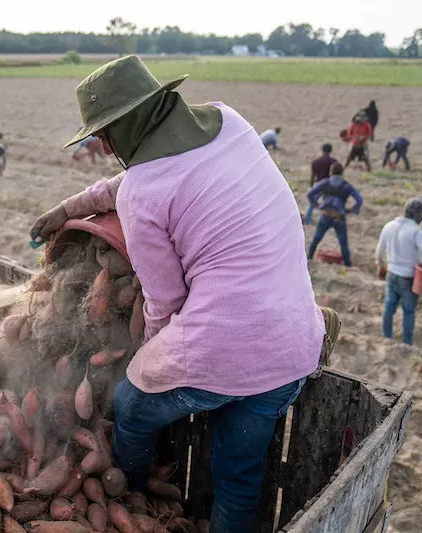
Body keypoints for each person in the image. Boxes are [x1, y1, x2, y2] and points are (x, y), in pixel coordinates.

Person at [30, 55, 333, 533]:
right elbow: (147, 180)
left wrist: (143, 357)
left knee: (132, 403)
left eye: (105, 132)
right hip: (291, 346)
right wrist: (70, 206)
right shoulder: (229, 123)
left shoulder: (143, 195)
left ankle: (126, 493)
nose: (105, 146)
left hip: (220, 346)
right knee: (238, 476)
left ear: (128, 124)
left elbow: (164, 303)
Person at [376, 198, 422, 345]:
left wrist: (381, 266)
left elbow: (379, 252)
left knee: (389, 306)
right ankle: (406, 343)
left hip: (391, 273)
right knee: (408, 311)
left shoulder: (389, 226)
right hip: (408, 277)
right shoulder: (415, 231)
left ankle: (386, 337)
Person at [306, 163, 363, 267]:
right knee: (343, 244)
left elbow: (309, 194)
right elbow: (359, 200)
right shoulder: (347, 185)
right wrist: (351, 210)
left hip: (325, 215)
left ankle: (309, 258)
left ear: (331, 172)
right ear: (342, 173)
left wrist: (317, 205)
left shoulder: (325, 183)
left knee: (316, 239)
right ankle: (348, 265)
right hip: (339, 217)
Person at [304, 144, 339, 224]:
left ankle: (307, 219)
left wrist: (312, 186)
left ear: (322, 150)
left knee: (311, 203)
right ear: (330, 150)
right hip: (330, 185)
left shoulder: (316, 162)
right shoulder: (334, 162)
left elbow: (312, 176)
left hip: (319, 184)